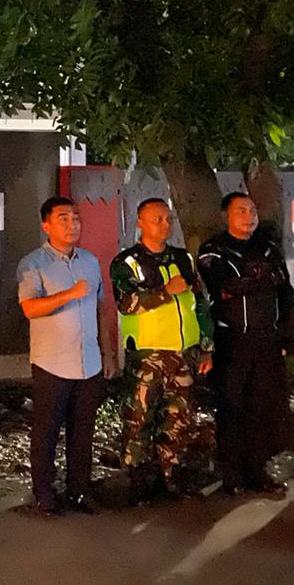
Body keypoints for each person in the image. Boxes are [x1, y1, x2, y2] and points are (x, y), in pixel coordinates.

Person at [109, 198, 214, 498]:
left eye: (168, 219)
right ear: (140, 222)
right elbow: (126, 304)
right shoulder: (127, 262)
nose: (165, 224)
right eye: (157, 219)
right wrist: (165, 292)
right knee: (139, 419)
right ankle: (138, 483)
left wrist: (206, 345)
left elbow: (200, 303)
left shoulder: (183, 259)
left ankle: (171, 479)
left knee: (178, 419)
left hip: (184, 353)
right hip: (148, 355)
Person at [17, 196, 115, 516]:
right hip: (52, 363)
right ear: (46, 225)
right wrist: (69, 295)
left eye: (75, 218)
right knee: (46, 432)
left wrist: (107, 353)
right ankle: (44, 493)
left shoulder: (90, 261)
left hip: (89, 362)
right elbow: (30, 308)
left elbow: (100, 309)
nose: (72, 225)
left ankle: (80, 489)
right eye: (63, 219)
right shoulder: (33, 263)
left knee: (83, 431)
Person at [198, 192, 294, 495]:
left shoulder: (268, 248)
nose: (249, 216)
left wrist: (289, 333)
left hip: (267, 340)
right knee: (231, 407)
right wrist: (259, 279)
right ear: (226, 216)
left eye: (252, 210)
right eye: (241, 210)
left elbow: (284, 292)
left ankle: (258, 471)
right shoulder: (214, 249)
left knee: (261, 407)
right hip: (231, 340)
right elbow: (224, 285)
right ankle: (231, 476)